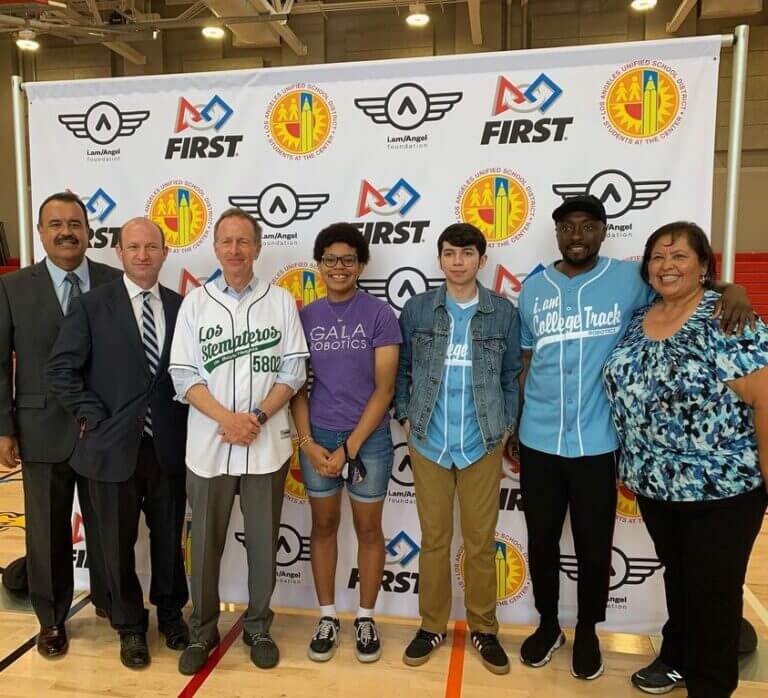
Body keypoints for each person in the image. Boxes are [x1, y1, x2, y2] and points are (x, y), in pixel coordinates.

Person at [515, 195, 754, 681]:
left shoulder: (628, 280)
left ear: (603, 232)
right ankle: (546, 624)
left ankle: (587, 631)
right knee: (540, 539)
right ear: (558, 232)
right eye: (568, 227)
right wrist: (516, 425)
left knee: (593, 545)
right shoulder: (533, 288)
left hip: (599, 443)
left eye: (588, 226)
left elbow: (682, 291)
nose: (577, 235)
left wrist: (734, 288)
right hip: (538, 439)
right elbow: (524, 362)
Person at [603, 222, 768, 698]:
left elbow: (763, 398)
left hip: (723, 490)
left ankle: (710, 685)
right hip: (656, 487)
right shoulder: (640, 318)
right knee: (680, 578)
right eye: (657, 256)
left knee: (714, 593)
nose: (666, 265)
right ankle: (676, 655)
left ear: (703, 267)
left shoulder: (728, 317)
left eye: (679, 256)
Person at [169, 208, 308, 674]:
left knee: (264, 542)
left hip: (265, 443)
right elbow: (183, 374)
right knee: (204, 546)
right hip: (209, 445)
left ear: (257, 247)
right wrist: (228, 420)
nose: (234, 250)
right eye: (226, 242)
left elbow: (293, 369)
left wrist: (257, 416)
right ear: (215, 247)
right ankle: (201, 631)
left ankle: (258, 626)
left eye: (243, 241)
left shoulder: (280, 300)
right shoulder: (196, 303)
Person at [47, 217, 190, 668]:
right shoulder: (91, 306)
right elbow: (61, 370)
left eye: (152, 246)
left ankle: (170, 614)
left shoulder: (183, 306)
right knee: (114, 544)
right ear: (120, 254)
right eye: (134, 247)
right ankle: (130, 627)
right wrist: (92, 415)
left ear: (165, 252)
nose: (143, 255)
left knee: (169, 539)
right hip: (110, 450)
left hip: (169, 446)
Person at [395, 222, 521, 676]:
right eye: (449, 253)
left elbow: (510, 375)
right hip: (429, 441)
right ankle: (431, 626)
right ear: (440, 258)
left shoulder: (502, 313)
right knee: (434, 541)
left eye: (467, 253)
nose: (458, 261)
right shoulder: (418, 309)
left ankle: (484, 629)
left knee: (481, 544)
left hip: (481, 443)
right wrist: (408, 417)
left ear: (481, 260)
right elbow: (404, 368)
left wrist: (505, 426)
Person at [0, 192, 118, 657]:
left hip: (104, 430)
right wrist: (4, 427)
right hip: (39, 429)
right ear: (41, 232)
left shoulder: (114, 281)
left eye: (75, 223)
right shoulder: (13, 288)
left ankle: (112, 603)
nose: (66, 231)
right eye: (55, 224)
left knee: (109, 524)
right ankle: (51, 620)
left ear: (89, 231)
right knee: (46, 534)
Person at [290, 223, 401, 664]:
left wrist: (350, 447)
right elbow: (295, 386)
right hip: (317, 440)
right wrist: (308, 442)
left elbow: (385, 390)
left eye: (348, 260)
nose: (339, 267)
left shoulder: (379, 315)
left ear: (361, 265)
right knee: (322, 527)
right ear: (319, 265)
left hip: (367, 441)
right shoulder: (304, 317)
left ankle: (367, 617)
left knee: (370, 530)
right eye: (330, 259)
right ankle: (327, 616)